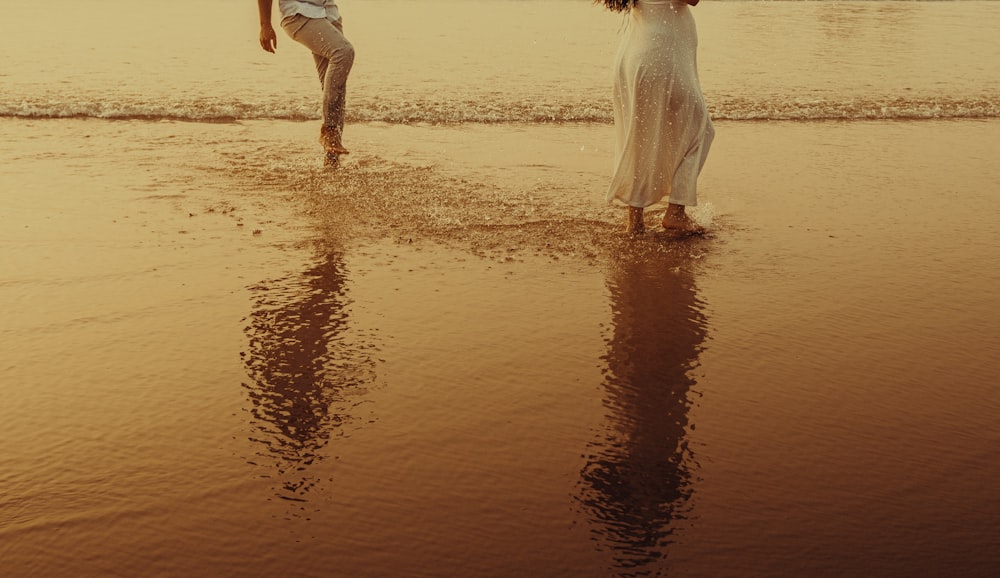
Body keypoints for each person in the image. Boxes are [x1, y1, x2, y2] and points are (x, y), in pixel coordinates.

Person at [600, 0, 714, 235]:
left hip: (635, 57)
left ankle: (635, 222)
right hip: (660, 59)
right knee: (701, 130)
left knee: (640, 140)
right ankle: (676, 213)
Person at [257, 0, 355, 165]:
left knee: (335, 84)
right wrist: (265, 24)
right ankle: (329, 130)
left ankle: (331, 160)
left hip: (327, 11)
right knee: (344, 52)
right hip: (299, 12)